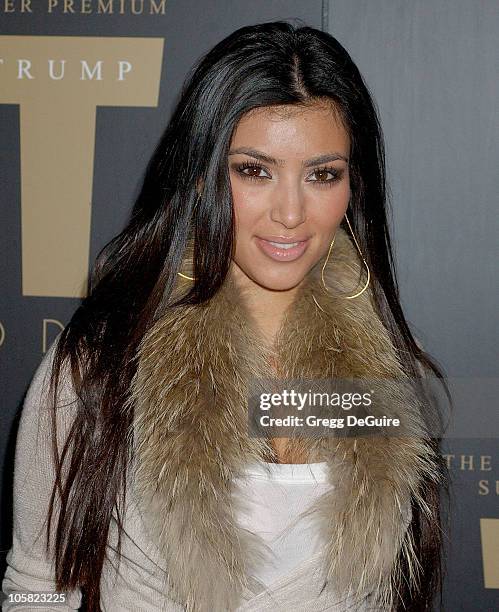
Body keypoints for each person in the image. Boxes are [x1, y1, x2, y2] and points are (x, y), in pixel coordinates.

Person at [2, 21, 451, 612]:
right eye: (255, 170)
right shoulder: (99, 362)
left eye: (322, 174)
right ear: (201, 173)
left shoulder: (387, 364)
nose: (291, 212)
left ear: (353, 185)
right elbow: (39, 587)